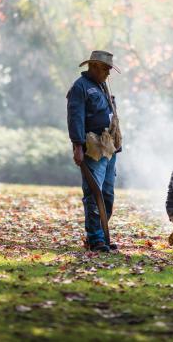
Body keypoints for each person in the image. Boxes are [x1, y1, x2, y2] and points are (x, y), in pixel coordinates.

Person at [66, 50, 122, 253]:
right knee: (94, 194)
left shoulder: (102, 85)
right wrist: (77, 146)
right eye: (106, 68)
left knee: (107, 194)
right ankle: (95, 238)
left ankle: (102, 235)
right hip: (93, 148)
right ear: (95, 66)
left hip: (109, 147)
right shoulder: (79, 87)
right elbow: (75, 118)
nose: (108, 73)